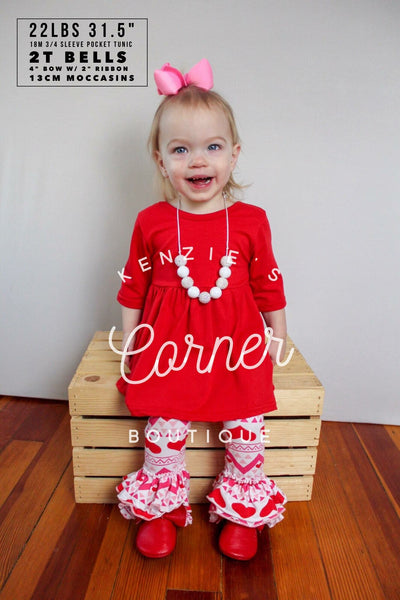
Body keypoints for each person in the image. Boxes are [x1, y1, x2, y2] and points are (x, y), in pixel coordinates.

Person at [113, 58, 288, 561]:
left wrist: (277, 331)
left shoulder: (252, 221)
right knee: (164, 425)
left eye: (212, 148)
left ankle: (241, 511)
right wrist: (132, 340)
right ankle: (162, 506)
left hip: (236, 345)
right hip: (169, 346)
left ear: (233, 156)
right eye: (181, 149)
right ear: (161, 159)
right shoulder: (152, 221)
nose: (198, 161)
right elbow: (134, 284)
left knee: (246, 428)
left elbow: (267, 281)